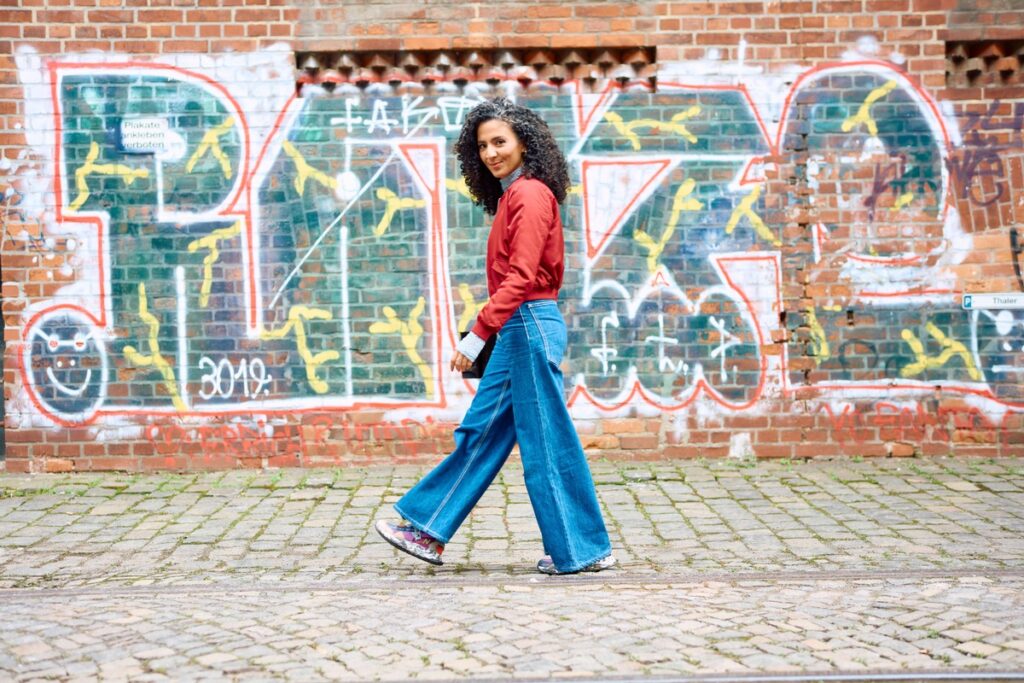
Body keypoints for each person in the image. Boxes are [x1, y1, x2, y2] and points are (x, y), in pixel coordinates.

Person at [374, 98, 617, 575]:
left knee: (545, 439)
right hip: (519, 327)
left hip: (526, 324)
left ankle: (584, 549)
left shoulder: (528, 195)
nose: (490, 152)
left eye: (500, 141)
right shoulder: (514, 196)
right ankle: (428, 528)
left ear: (525, 142)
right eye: (482, 145)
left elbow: (523, 276)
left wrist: (476, 335)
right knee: (482, 430)